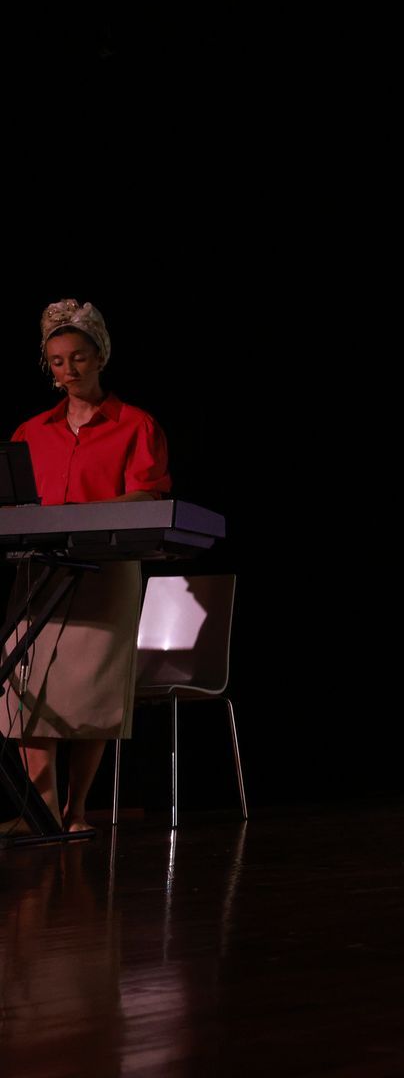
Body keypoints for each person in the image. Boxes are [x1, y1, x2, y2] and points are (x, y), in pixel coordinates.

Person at [3, 300, 171, 834]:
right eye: (57, 361)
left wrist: (84, 514)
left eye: (77, 357)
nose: (68, 370)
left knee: (88, 689)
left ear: (100, 356)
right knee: (28, 683)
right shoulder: (32, 430)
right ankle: (42, 812)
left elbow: (148, 493)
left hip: (106, 567)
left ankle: (76, 813)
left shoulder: (135, 424)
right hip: (42, 568)